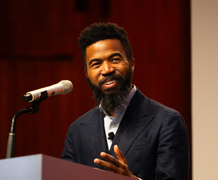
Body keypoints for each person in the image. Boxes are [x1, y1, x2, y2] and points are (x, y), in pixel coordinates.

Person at [61, 22, 189, 180]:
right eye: (96, 64)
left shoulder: (167, 121)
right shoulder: (77, 130)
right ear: (87, 74)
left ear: (132, 64)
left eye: (114, 59)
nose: (107, 69)